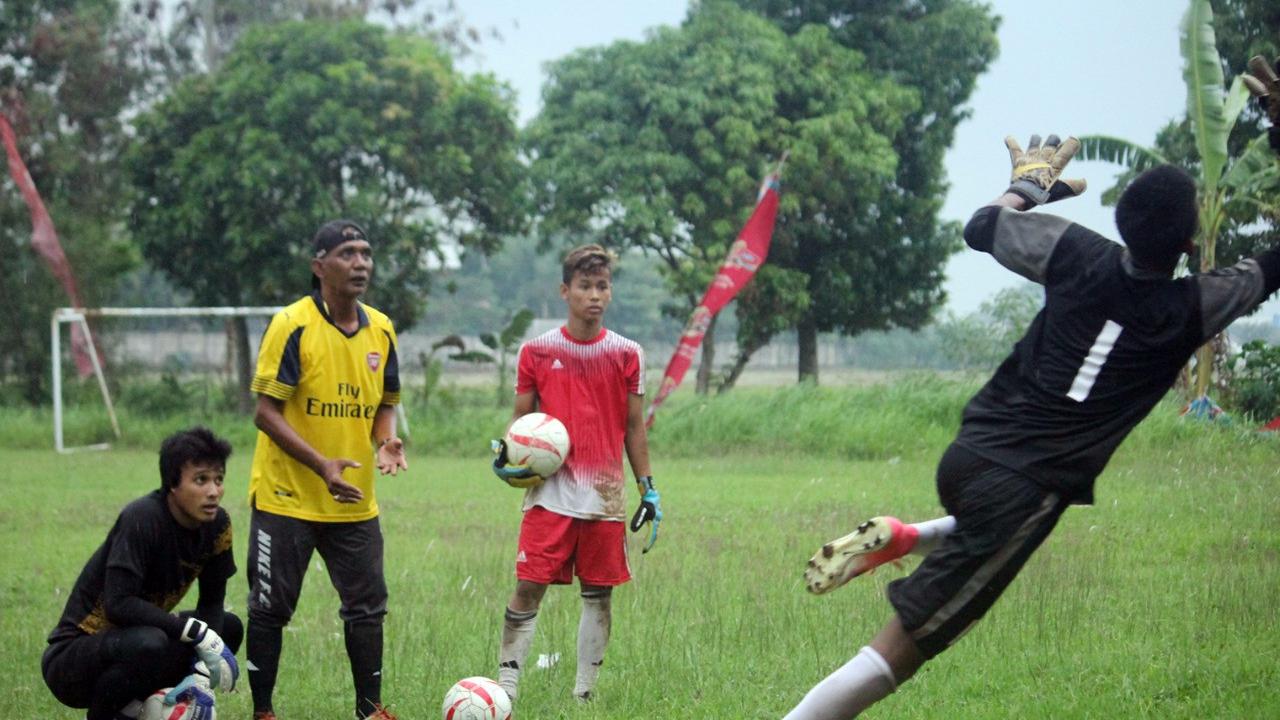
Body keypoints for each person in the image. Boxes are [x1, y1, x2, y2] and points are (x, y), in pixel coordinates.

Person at [784, 133, 1280, 720]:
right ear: (1191, 243)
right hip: (1023, 490)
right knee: (897, 655)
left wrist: (1028, 188)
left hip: (972, 453)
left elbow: (981, 226)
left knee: (996, 528)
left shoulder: (1075, 251)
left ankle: (910, 536)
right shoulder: (1195, 305)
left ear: (1122, 222)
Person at [244, 219, 408, 720]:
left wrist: (386, 442)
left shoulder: (380, 328)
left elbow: (386, 402)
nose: (361, 263)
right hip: (286, 498)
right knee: (270, 609)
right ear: (319, 266)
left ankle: (369, 709)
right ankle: (264, 711)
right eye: (347, 254)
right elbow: (265, 412)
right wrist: (321, 466)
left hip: (354, 500)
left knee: (367, 608)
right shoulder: (292, 325)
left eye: (365, 253)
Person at [490, 243, 661, 704]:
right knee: (528, 588)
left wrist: (649, 489)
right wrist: (506, 458)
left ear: (610, 292)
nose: (595, 295)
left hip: (604, 497)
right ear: (565, 291)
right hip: (548, 497)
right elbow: (520, 424)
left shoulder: (627, 353)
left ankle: (584, 696)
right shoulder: (537, 351)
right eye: (585, 286)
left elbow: (633, 428)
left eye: (602, 286)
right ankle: (506, 691)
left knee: (599, 593)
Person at [42, 426, 240, 720]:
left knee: (229, 626)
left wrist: (200, 673)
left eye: (219, 479)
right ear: (173, 483)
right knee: (151, 642)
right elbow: (119, 604)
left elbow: (212, 603)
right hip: (73, 659)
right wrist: (193, 633)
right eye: (201, 480)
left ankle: (149, 708)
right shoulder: (143, 518)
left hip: (143, 644)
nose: (214, 491)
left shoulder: (218, 526)